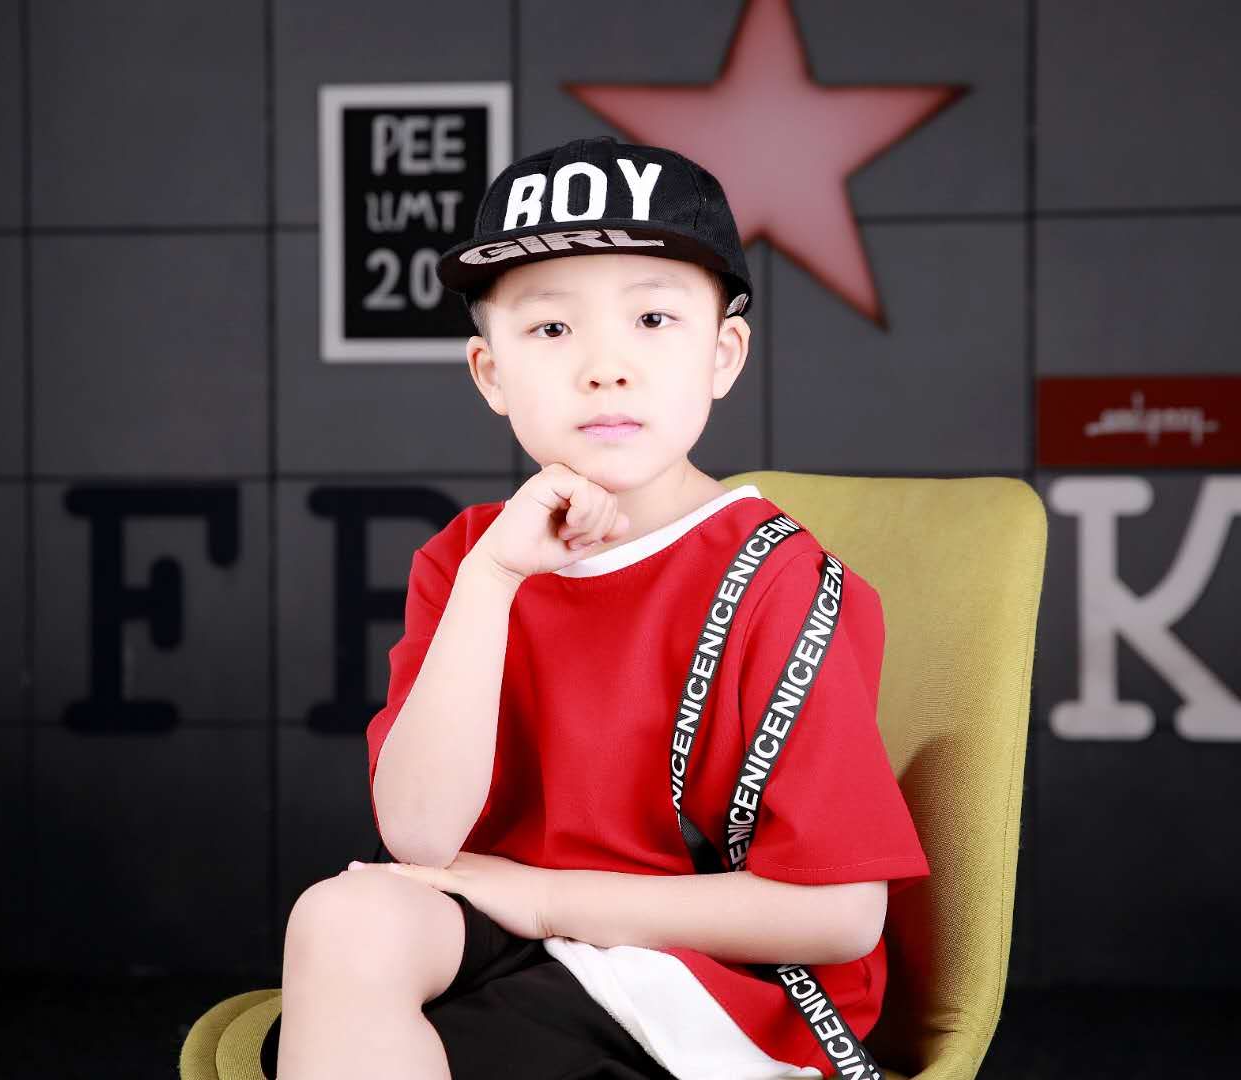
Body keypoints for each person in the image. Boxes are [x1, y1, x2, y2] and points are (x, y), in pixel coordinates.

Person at [269, 135, 930, 1079]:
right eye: (550, 329)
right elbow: (419, 838)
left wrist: (547, 900)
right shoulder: (468, 558)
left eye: (653, 318)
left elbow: (837, 915)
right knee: (341, 919)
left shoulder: (775, 578)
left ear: (722, 354)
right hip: (517, 929)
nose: (604, 367)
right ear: (490, 373)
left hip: (712, 977)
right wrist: (493, 582)